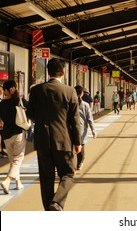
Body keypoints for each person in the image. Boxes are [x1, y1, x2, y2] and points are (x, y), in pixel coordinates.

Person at [27, 58, 82, 211]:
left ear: (48, 72)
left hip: (42, 141)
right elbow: (75, 120)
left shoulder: (36, 90)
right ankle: (57, 203)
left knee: (46, 178)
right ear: (62, 73)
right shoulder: (70, 91)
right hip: (63, 140)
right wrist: (78, 142)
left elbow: (30, 114)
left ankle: (49, 210)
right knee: (69, 172)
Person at [0, 80, 28, 194]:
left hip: (6, 135)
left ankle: (18, 182)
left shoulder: (1, 104)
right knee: (18, 160)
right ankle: (7, 181)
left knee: (13, 161)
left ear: (7, 90)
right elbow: (30, 111)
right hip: (18, 133)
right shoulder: (20, 101)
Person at [75, 86, 97, 170]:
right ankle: (79, 163)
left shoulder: (69, 103)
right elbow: (89, 118)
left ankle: (76, 163)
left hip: (72, 129)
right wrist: (93, 131)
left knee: (72, 146)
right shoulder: (85, 105)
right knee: (81, 146)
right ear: (82, 94)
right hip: (81, 129)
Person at [0, 84, 8, 158]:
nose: (1, 91)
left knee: (3, 135)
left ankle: (3, 150)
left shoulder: (2, 100)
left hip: (1, 121)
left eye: (2, 90)